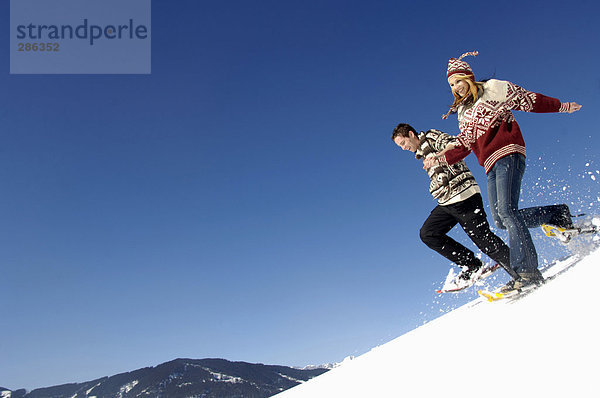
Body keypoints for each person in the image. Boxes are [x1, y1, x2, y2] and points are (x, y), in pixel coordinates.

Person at [423, 51, 582, 292]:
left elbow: (530, 100)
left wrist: (562, 107)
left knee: (507, 212)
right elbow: (464, 144)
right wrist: (439, 159)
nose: (456, 88)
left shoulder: (493, 89)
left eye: (458, 81)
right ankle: (557, 215)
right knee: (500, 219)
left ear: (469, 77)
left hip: (508, 152)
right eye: (452, 85)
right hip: (489, 165)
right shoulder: (463, 114)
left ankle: (527, 272)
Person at [392, 123, 515, 289]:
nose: (403, 148)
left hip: (464, 196)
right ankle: (472, 265)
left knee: (483, 239)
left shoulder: (430, 136)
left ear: (411, 134)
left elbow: (455, 144)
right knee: (428, 233)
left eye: (403, 143)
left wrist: (438, 157)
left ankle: (523, 273)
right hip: (448, 202)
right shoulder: (422, 153)